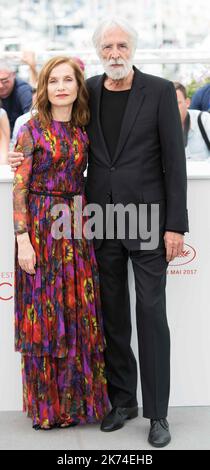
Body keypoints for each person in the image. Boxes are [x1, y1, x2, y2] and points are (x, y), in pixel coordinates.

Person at [9, 18, 188, 447]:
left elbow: (175, 165)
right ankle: (123, 400)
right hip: (96, 224)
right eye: (106, 46)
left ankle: (157, 414)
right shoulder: (88, 89)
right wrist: (19, 157)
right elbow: (51, 132)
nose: (114, 53)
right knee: (112, 317)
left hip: (146, 221)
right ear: (97, 51)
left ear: (133, 48)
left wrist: (175, 225)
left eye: (121, 45)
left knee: (150, 315)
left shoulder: (161, 91)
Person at [13, 56, 109, 430]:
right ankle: (48, 409)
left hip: (76, 228)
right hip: (39, 227)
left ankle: (78, 405)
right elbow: (19, 188)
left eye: (68, 80)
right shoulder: (32, 130)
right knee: (45, 318)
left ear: (78, 86)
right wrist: (23, 240)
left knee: (77, 313)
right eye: (53, 81)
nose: (61, 87)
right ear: (44, 87)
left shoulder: (85, 128)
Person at [174, 81, 210, 160]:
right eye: (168, 104)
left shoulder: (204, 120)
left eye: (177, 103)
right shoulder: (159, 127)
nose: (172, 109)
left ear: (187, 103)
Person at [0, 59, 32, 135]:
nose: (0, 86)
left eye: (4, 80)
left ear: (13, 75)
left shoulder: (23, 90)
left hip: (20, 136)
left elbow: (31, 117)